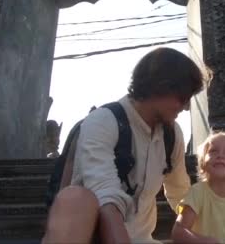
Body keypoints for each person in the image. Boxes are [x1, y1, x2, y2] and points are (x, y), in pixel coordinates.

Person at [42, 47, 204, 244]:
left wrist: (213, 230)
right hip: (90, 237)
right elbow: (105, 196)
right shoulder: (103, 121)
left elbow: (180, 192)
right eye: (183, 97)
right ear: (161, 87)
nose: (186, 106)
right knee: (75, 197)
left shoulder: (172, 134)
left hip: (142, 240)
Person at [172, 132, 225, 244]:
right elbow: (178, 232)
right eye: (213, 151)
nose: (220, 155)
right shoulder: (197, 192)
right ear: (203, 164)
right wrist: (202, 241)